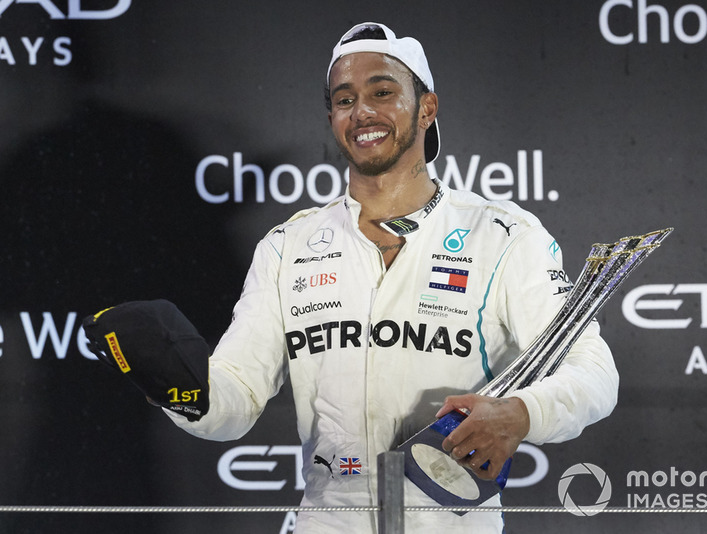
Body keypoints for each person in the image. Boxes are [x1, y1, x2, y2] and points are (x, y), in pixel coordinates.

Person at [165, 22, 619, 532]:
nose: (361, 112)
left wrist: (519, 413)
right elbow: (235, 399)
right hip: (329, 519)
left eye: (382, 92)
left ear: (426, 107)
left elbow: (593, 375)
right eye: (344, 99)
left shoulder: (504, 235)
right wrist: (175, 385)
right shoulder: (287, 246)